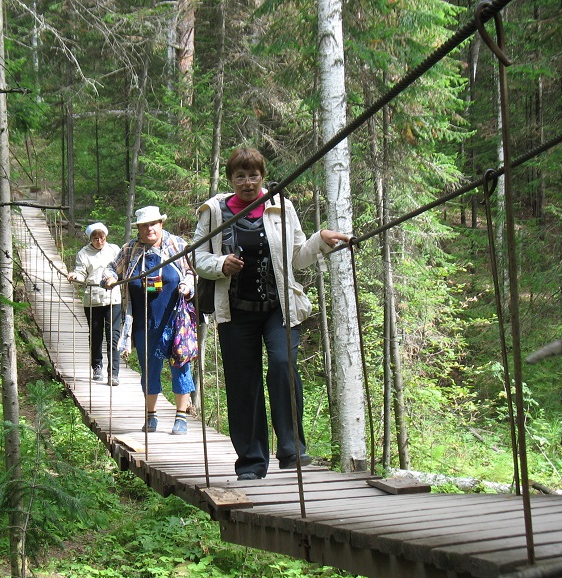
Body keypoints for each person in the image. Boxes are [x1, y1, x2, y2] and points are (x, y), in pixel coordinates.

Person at [193, 147, 351, 480]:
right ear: (231, 179)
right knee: (242, 384)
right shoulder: (214, 211)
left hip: (279, 306)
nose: (248, 183)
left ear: (262, 177)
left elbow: (296, 258)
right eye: (240, 176)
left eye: (253, 176)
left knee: (283, 364)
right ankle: (251, 462)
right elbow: (199, 258)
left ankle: (291, 447)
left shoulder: (281, 206)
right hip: (235, 311)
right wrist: (222, 264)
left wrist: (320, 240)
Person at [103, 206, 196, 435]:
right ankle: (151, 416)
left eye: (153, 223)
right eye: (144, 225)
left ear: (161, 224)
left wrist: (187, 285)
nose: (149, 228)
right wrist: (110, 277)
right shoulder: (130, 250)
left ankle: (181, 417)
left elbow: (193, 272)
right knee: (149, 369)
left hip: (175, 320)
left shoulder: (177, 245)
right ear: (139, 228)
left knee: (181, 367)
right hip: (144, 321)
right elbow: (110, 269)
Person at [67, 222, 122, 386]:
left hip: (114, 299)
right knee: (96, 336)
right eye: (95, 238)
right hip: (93, 300)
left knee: (114, 336)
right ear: (90, 238)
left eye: (102, 237)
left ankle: (113, 373)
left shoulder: (114, 250)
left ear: (106, 236)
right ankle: (97, 366)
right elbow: (81, 272)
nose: (99, 241)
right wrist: (75, 276)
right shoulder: (84, 253)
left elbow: (121, 269)